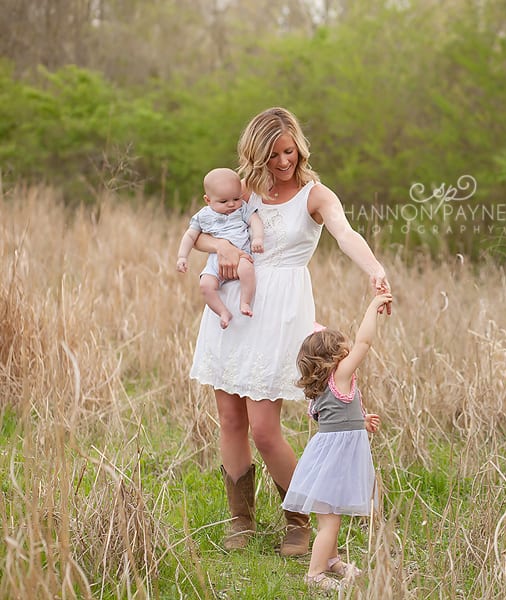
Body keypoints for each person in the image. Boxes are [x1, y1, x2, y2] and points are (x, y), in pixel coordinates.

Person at [189, 107, 391, 556]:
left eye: (289, 151)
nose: (283, 161)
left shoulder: (314, 196)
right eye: (273, 154)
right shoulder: (244, 190)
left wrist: (375, 269)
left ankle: (299, 519)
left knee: (265, 429)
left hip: (281, 314)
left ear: (299, 147)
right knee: (230, 419)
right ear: (256, 154)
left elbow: (345, 233)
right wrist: (222, 246)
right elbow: (199, 230)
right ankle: (240, 520)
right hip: (234, 308)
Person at [284, 293, 391, 591]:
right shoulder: (340, 374)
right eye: (345, 348)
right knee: (329, 523)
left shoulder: (321, 388)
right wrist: (373, 306)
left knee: (331, 517)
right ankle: (314, 574)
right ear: (336, 357)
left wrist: (361, 421)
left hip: (328, 460)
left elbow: (334, 420)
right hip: (334, 462)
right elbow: (365, 342)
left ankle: (331, 561)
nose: (350, 352)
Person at [176, 168, 264, 329]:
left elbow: (255, 220)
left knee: (247, 270)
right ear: (208, 200)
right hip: (215, 261)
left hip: (242, 255)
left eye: (236, 198)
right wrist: (182, 256)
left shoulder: (242, 209)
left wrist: (258, 238)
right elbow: (190, 236)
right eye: (223, 201)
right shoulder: (203, 216)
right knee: (205, 285)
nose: (231, 204)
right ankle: (223, 312)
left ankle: (245, 302)